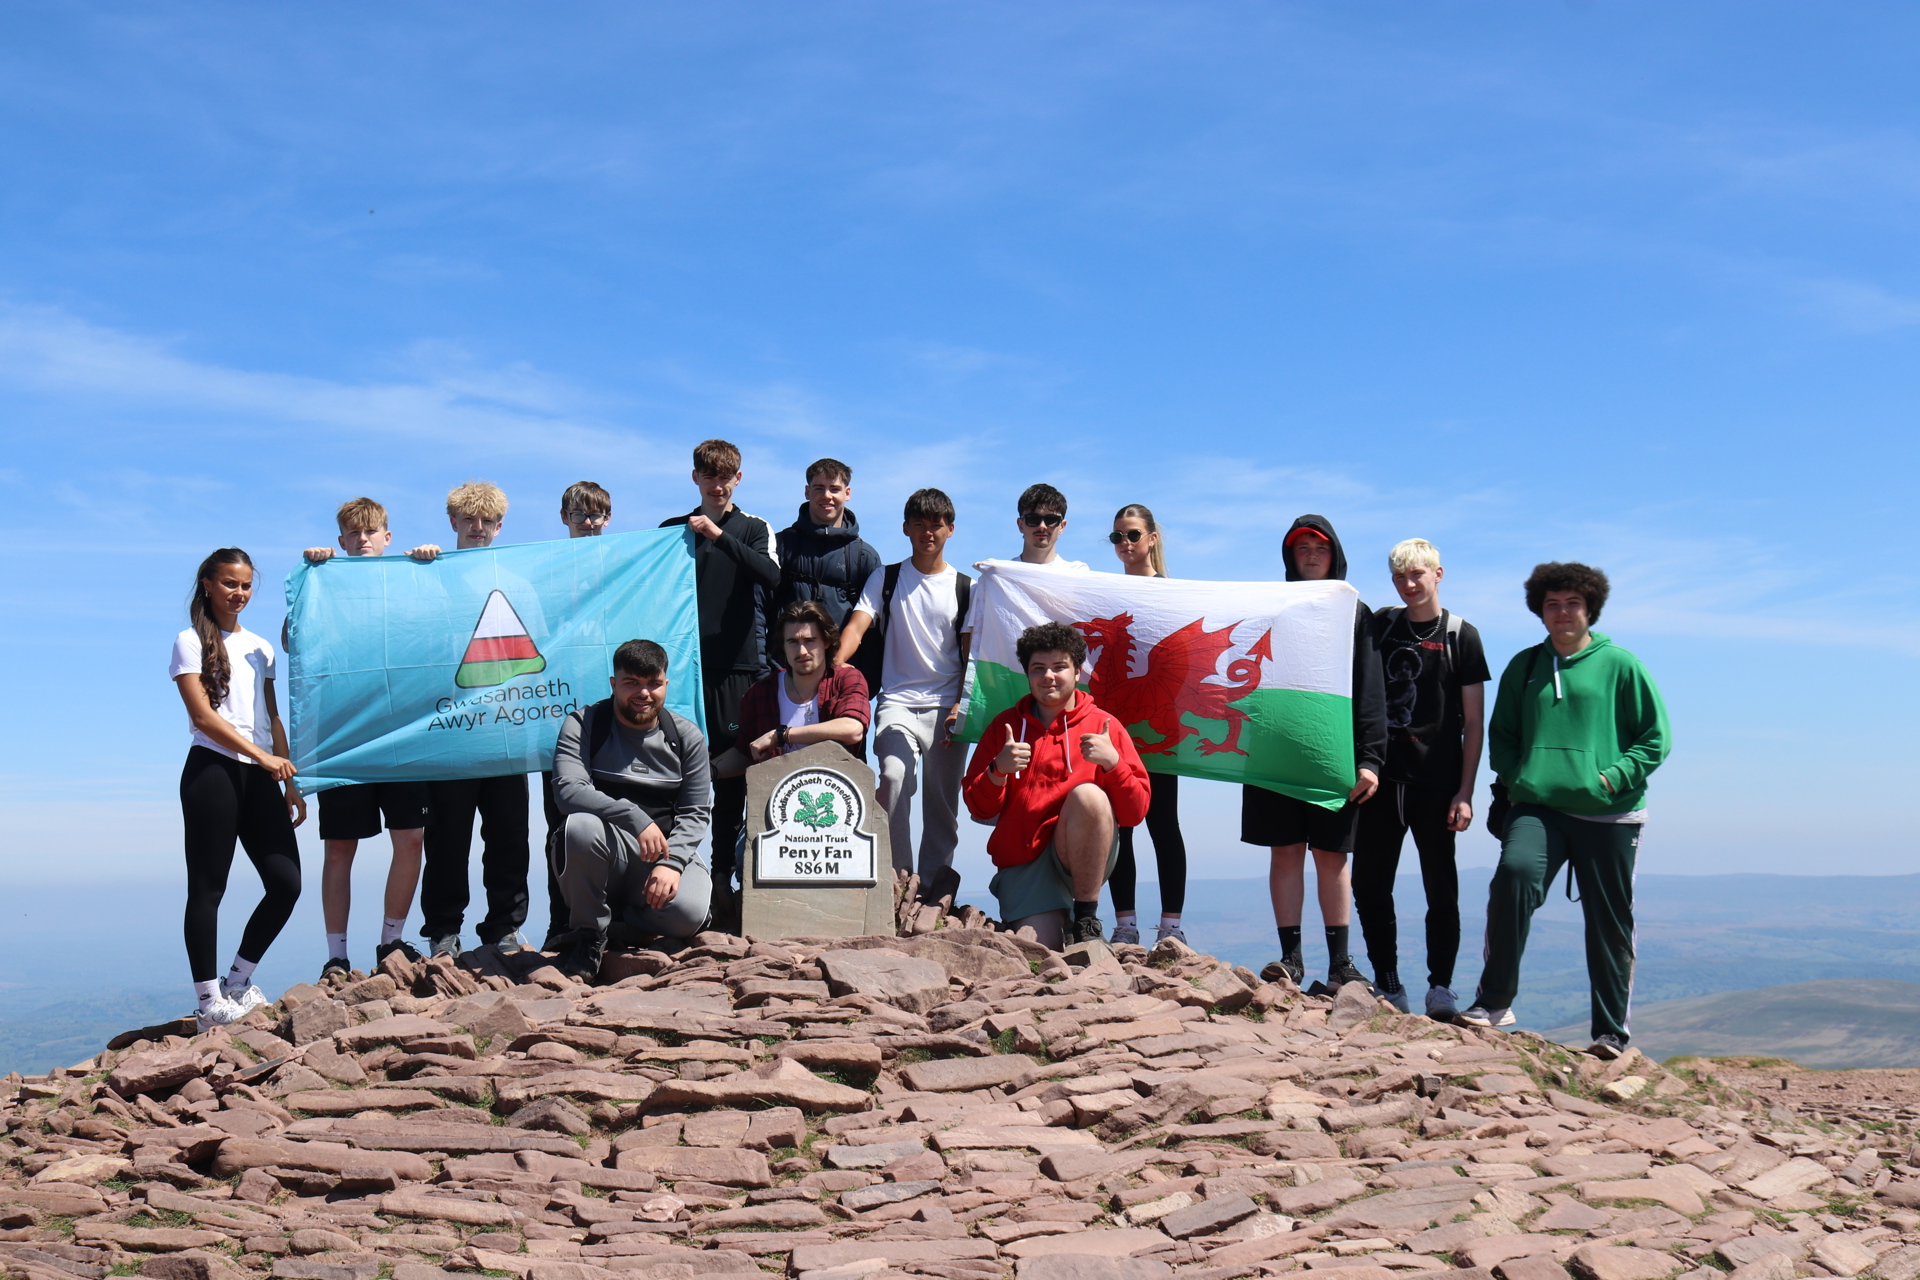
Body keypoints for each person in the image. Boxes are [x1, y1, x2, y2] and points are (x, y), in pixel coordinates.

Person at [1460, 563, 1670, 1059]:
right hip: (1538, 807)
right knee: (1513, 878)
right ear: (1540, 610)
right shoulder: (1525, 666)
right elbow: (1503, 736)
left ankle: (1610, 1034)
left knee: (1609, 920)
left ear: (1590, 608)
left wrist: (1610, 778)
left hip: (1610, 814)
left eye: (1572, 602)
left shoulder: (1621, 664)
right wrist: (1519, 778)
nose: (1562, 611)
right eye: (1552, 603)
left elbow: (1654, 738)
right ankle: (1494, 1003)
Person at [1245, 516, 1387, 991]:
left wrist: (1371, 759)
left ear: (1334, 555)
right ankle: (1290, 960)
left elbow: (1370, 690)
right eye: (1300, 548)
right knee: (1285, 853)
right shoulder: (1271, 607)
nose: (1309, 555)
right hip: (1274, 751)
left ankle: (1341, 964)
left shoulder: (1353, 613)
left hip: (1333, 755)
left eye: (1318, 548)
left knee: (1332, 857)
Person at [1351, 538, 1490, 1018]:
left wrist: (1465, 792)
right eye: (1400, 577)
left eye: (1418, 575)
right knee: (1369, 883)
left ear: (1438, 574)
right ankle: (1387, 981)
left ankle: (1441, 987)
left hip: (1437, 781)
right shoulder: (1382, 625)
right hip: (1381, 779)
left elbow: (1474, 722)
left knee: (1441, 888)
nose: (1409, 584)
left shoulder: (1460, 635)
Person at [170, 549, 304, 1031]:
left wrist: (289, 781)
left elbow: (272, 718)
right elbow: (203, 717)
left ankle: (237, 983)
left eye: (246, 585)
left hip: (261, 775)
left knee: (287, 884)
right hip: (213, 772)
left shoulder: (262, 648)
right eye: (230, 584)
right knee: (208, 889)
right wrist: (263, 757)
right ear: (207, 584)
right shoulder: (188, 642)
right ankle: (209, 1004)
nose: (239, 593)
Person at [299, 498, 430, 978]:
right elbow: (296, 643)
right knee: (339, 846)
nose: (363, 539)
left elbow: (443, 622)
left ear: (387, 537)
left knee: (411, 838)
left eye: (371, 531)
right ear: (341, 541)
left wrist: (430, 567)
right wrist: (313, 579)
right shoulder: (322, 584)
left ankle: (390, 945)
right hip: (344, 734)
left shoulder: (409, 579)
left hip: (402, 731)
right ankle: (336, 956)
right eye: (353, 533)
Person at [963, 621, 1151, 949]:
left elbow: (1135, 812)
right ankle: (1055, 923)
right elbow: (979, 807)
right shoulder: (1005, 727)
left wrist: (1113, 763)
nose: (1048, 676)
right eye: (1038, 668)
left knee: (1089, 796)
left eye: (1059, 667)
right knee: (1038, 951)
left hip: (1082, 857)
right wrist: (998, 771)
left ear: (1078, 672)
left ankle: (1086, 917)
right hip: (1025, 861)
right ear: (1027, 674)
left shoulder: (1104, 726)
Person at [659, 440, 780, 924]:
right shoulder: (670, 531)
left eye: (726, 474)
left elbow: (771, 575)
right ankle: (678, 883)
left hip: (740, 668)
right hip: (684, 670)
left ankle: (726, 884)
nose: (718, 482)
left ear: (738, 478)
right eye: (709, 475)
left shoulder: (754, 528)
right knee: (679, 776)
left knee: (732, 776)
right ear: (695, 478)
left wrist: (718, 536)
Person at [414, 481, 535, 958]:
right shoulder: (429, 574)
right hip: (450, 727)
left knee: (508, 833)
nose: (478, 528)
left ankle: (504, 927)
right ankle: (443, 931)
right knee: (447, 835)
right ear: (453, 523)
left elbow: (540, 646)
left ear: (500, 525)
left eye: (487, 521)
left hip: (507, 727)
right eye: (469, 519)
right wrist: (416, 566)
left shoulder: (520, 581)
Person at [549, 639, 714, 981]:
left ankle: (621, 926)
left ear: (666, 683)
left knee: (690, 913)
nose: (643, 693)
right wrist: (634, 817)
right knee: (579, 827)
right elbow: (568, 791)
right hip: (606, 851)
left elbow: (696, 812)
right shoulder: (584, 724)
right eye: (631, 683)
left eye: (653, 683)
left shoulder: (687, 737)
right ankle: (589, 937)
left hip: (661, 854)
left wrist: (672, 863)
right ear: (613, 684)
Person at [834, 488, 972, 884]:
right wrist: (835, 665)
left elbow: (968, 656)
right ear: (906, 529)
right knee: (893, 777)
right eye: (919, 525)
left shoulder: (966, 587)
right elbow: (858, 625)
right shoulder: (886, 577)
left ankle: (931, 887)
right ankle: (898, 881)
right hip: (896, 702)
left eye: (936, 526)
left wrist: (960, 706)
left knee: (942, 804)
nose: (928, 533)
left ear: (950, 530)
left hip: (947, 707)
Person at [1103, 504, 1191, 947]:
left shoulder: (1173, 594)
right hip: (1115, 727)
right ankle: (1125, 924)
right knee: (1122, 822)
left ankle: (1171, 928)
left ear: (1152, 538)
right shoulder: (1104, 593)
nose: (1125, 545)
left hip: (1161, 725)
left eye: (1133, 535)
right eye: (1117, 537)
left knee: (1163, 823)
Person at [538, 480, 614, 948]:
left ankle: (612, 919)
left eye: (597, 514)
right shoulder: (544, 569)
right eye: (579, 513)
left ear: (609, 518)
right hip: (555, 710)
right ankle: (560, 921)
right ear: (563, 517)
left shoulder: (625, 564)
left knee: (614, 816)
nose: (588, 522)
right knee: (560, 822)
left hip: (613, 712)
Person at [714, 601, 871, 776]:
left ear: (826, 642)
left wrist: (781, 735)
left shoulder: (846, 679)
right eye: (793, 642)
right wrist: (708, 770)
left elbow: (852, 729)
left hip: (835, 794)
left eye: (810, 640)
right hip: (776, 797)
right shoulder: (761, 692)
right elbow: (744, 753)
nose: (802, 651)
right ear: (783, 646)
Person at [766, 458, 882, 639]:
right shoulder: (780, 545)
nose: (826, 495)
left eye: (834, 489)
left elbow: (873, 626)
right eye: (819, 488)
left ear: (847, 493)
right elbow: (759, 608)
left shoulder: (864, 557)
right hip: (784, 663)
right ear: (807, 491)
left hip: (842, 663)